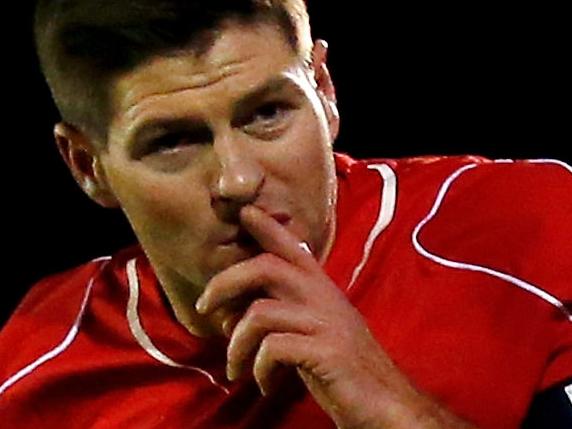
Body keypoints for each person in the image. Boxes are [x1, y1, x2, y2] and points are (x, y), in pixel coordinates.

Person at [1, 1, 570, 428]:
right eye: (172, 142)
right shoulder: (29, 372)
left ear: (324, 90)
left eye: (268, 112)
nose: (237, 181)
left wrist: (391, 409)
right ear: (86, 165)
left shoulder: (537, 230)